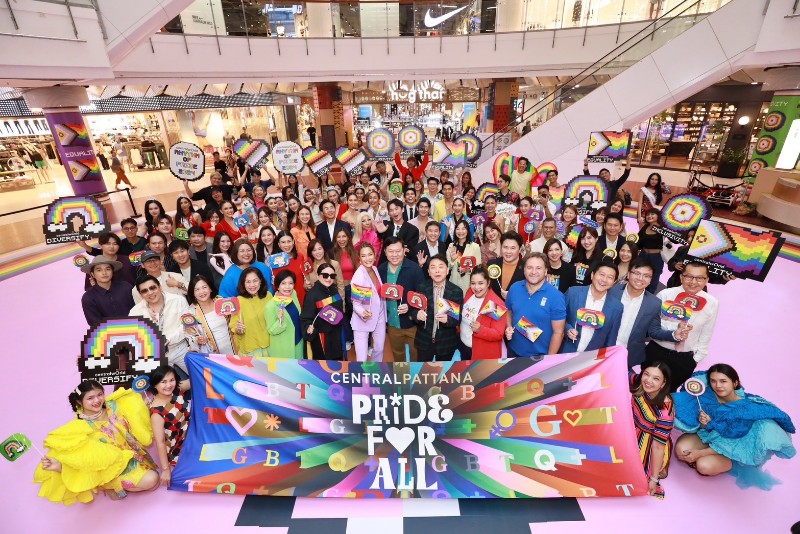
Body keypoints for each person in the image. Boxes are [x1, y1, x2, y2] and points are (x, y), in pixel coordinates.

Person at [673, 364, 796, 489]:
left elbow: (733, 443)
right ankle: (700, 457)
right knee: (681, 451)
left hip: (731, 450)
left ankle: (724, 463)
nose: (718, 385)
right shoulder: (708, 397)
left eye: (723, 381)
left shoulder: (745, 409)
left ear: (735, 382)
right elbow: (707, 428)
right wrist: (705, 424)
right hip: (709, 438)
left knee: (703, 466)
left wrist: (699, 454)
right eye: (713, 381)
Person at [35, 380, 159, 504]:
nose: (97, 400)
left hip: (133, 456)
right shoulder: (81, 427)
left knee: (155, 484)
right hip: (110, 468)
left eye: (100, 394)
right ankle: (108, 485)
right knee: (152, 480)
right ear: (80, 401)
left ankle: (118, 486)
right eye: (90, 398)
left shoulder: (114, 406)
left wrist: (146, 409)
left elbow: (136, 419)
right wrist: (60, 466)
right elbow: (80, 458)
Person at [645, 261, 719, 390]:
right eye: (689, 276)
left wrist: (695, 359)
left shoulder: (712, 302)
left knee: (669, 393)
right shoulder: (665, 294)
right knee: (643, 388)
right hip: (656, 351)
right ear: (681, 277)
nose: (693, 282)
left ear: (706, 280)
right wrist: (675, 329)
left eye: (699, 278)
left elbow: (707, 332)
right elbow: (653, 325)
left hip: (684, 359)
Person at [608, 258, 690, 368]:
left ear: (651, 280)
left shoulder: (654, 303)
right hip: (602, 350)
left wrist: (674, 334)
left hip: (628, 356)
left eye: (646, 276)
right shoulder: (612, 291)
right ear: (628, 274)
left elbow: (654, 331)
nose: (640, 278)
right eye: (637, 273)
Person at [505, 253, 567, 358]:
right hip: (513, 350)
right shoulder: (514, 288)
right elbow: (509, 311)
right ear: (524, 270)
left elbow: (558, 333)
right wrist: (509, 326)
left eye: (538, 268)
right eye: (529, 268)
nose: (533, 272)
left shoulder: (556, 296)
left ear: (545, 271)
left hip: (539, 356)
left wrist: (549, 360)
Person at [629, 361, 674, 499]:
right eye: (646, 374)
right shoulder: (640, 382)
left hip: (648, 442)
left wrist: (653, 479)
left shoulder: (665, 413)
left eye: (656, 378)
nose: (648, 380)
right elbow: (622, 372)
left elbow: (658, 447)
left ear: (663, 383)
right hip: (628, 427)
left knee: (627, 471)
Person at [130, 276, 191, 374]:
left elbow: (187, 326)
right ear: (140, 294)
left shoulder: (178, 300)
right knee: (162, 382)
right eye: (144, 291)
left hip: (180, 348)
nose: (150, 292)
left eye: (152, 288)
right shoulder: (135, 312)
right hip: (156, 356)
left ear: (160, 287)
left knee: (199, 378)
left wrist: (168, 339)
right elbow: (135, 338)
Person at [379, 237, 426, 362]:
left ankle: (415, 375)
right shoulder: (381, 270)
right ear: (385, 251)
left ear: (404, 250)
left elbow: (423, 295)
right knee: (397, 354)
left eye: (398, 251)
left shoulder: (414, 269)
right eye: (391, 251)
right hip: (392, 323)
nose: (394, 255)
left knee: (416, 354)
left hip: (412, 323)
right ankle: (401, 374)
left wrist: (410, 306)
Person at [560, 262, 623, 353]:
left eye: (610, 277)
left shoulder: (617, 307)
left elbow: (610, 339)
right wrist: (567, 329)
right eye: (602, 274)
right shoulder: (573, 293)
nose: (604, 280)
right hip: (566, 352)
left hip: (591, 358)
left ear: (614, 282)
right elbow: (558, 319)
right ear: (592, 275)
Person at [413, 255, 463, 361]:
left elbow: (458, 318)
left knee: (443, 371)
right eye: (433, 267)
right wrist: (417, 315)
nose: (437, 271)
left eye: (441, 267)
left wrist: (448, 319)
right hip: (424, 341)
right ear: (428, 272)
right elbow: (413, 311)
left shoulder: (456, 291)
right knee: (424, 370)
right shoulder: (422, 288)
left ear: (447, 270)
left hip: (446, 343)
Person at [148, 365, 190, 486]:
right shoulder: (157, 413)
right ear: (155, 384)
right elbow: (160, 442)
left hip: (193, 433)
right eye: (163, 382)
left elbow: (195, 379)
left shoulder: (177, 389)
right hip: (179, 448)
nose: (169, 385)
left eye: (172, 380)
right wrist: (166, 470)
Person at [459, 267, 506, 360]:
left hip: (481, 352)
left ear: (488, 283)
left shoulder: (495, 304)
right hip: (463, 346)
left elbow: (498, 334)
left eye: (480, 283)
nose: (476, 287)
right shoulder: (469, 292)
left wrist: (480, 329)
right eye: (473, 283)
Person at [350, 243, 387, 362]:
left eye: (370, 254)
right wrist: (363, 313)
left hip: (379, 314)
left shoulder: (375, 269)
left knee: (379, 349)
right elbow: (356, 304)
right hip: (362, 320)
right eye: (363, 256)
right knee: (362, 358)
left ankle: (376, 371)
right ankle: (362, 374)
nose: (367, 258)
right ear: (359, 259)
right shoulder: (358, 277)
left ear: (375, 256)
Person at [302, 262, 346, 360]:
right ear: (318, 276)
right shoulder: (312, 295)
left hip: (336, 335)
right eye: (325, 275)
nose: (329, 278)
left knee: (338, 364)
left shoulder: (334, 289)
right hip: (322, 339)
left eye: (332, 276)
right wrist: (308, 328)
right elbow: (306, 318)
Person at [228, 267, 272, 358]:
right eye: (248, 282)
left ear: (261, 281)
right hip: (251, 350)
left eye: (255, 281)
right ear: (243, 284)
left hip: (271, 346)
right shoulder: (238, 301)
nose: (252, 285)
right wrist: (238, 329)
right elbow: (233, 325)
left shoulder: (268, 296)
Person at [186, 275, 234, 354]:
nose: (202, 292)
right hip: (212, 355)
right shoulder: (190, 313)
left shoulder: (221, 301)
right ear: (193, 293)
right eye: (197, 289)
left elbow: (234, 320)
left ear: (210, 288)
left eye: (204, 287)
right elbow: (189, 337)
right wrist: (197, 339)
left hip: (234, 349)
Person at [80, 256, 135, 326]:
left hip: (135, 327)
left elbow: (138, 308)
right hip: (107, 332)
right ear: (93, 274)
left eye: (108, 269)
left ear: (112, 272)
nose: (104, 273)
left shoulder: (126, 287)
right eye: (99, 270)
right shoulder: (88, 297)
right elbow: (95, 324)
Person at [264, 270, 304, 359]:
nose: (287, 287)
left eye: (290, 283)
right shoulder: (270, 306)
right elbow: (271, 330)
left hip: (299, 342)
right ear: (277, 286)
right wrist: (280, 321)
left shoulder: (293, 294)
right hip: (284, 347)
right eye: (283, 283)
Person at [446, 219, 481, 296]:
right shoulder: (451, 246)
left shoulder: (475, 247)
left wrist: (468, 269)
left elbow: (478, 266)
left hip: (468, 283)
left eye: (463, 229)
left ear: (467, 230)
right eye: (458, 229)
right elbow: (448, 268)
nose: (460, 231)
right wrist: (452, 260)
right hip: (453, 282)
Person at [487, 232, 525, 300]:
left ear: (520, 249)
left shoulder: (526, 268)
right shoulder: (492, 265)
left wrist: (513, 296)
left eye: (512, 248)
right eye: (505, 247)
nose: (508, 252)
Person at [273, 231, 308, 304]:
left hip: (302, 296)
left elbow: (304, 275)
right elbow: (276, 286)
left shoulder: (300, 257)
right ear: (279, 244)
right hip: (285, 300)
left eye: (289, 241)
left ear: (293, 242)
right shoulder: (275, 261)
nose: (286, 245)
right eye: (283, 242)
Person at [638, 208, 665, 293]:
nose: (649, 216)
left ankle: (649, 296)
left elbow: (674, 240)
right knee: (638, 275)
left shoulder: (663, 229)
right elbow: (638, 241)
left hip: (656, 258)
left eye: (652, 214)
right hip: (643, 255)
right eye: (648, 214)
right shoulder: (645, 226)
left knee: (653, 280)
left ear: (658, 216)